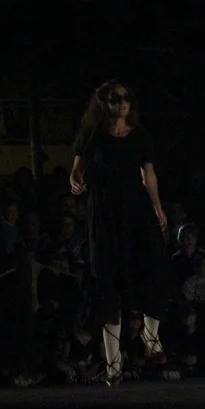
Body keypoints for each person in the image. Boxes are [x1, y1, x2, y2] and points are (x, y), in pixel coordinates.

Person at [69, 80, 169, 386]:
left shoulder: (140, 135)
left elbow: (149, 175)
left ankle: (151, 337)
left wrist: (158, 208)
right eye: (115, 99)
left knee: (152, 266)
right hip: (104, 212)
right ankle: (113, 365)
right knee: (108, 280)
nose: (122, 103)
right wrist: (75, 180)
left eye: (126, 98)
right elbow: (77, 168)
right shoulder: (93, 134)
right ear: (104, 103)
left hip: (136, 208)